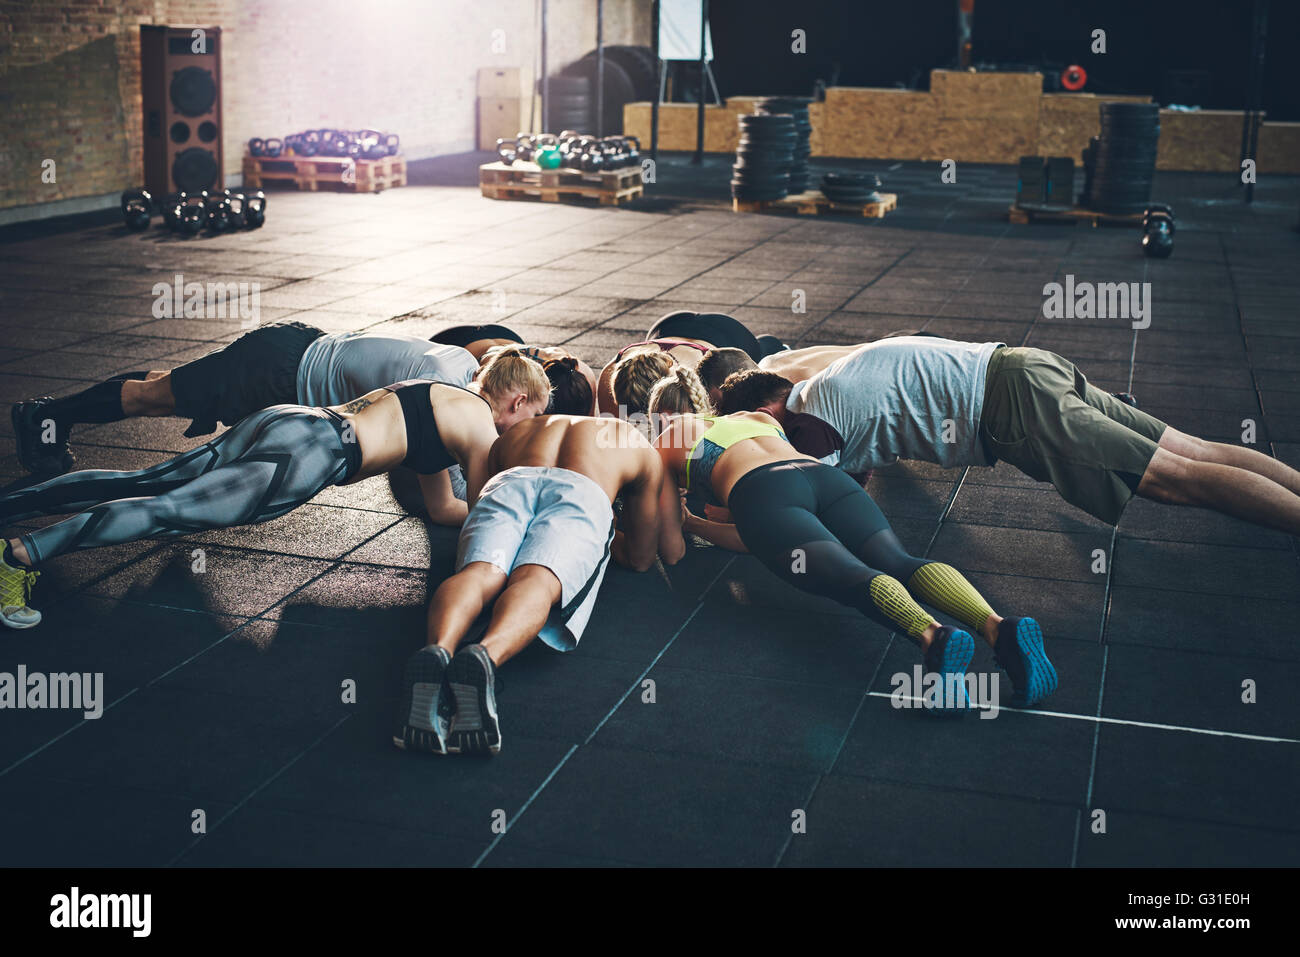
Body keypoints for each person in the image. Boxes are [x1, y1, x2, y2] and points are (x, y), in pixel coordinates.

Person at [0, 355, 553, 629]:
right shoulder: (481, 425)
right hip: (312, 455)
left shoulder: (444, 397)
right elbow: (487, 515)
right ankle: (17, 557)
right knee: (166, 512)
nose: (529, 427)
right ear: (519, 402)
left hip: (293, 421)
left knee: (147, 482)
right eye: (536, 416)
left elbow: (445, 508)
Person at [651, 402, 1057, 711]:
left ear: (662, 417)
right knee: (899, 560)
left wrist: (690, 522)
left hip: (762, 494)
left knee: (848, 574)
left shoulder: (666, 442)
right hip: (824, 479)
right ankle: (998, 627)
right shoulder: (756, 418)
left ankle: (934, 636)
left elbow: (673, 550)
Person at [716, 336, 1300, 534]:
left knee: (1174, 481)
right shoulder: (825, 380)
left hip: (1010, 406)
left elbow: (799, 497)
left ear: (765, 408)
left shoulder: (809, 423)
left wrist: (715, 514)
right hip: (1020, 364)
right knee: (1193, 449)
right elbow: (859, 468)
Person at [393, 414, 678, 756]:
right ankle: (485, 656)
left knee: (480, 571)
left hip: (509, 482)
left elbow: (475, 501)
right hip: (582, 491)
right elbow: (641, 557)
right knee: (537, 580)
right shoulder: (635, 442)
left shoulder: (520, 431)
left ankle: (439, 648)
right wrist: (611, 527)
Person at [12, 322, 481, 477]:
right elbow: (446, 499)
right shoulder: (451, 391)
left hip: (290, 355)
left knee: (167, 387)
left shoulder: (465, 362)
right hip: (277, 373)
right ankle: (46, 415)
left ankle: (53, 416)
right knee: (153, 397)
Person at [595, 310, 788, 416]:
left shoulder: (694, 378)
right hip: (668, 325)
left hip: (727, 334)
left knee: (764, 356)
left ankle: (776, 346)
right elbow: (615, 430)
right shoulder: (610, 377)